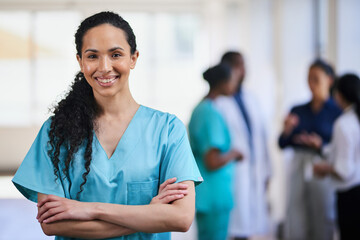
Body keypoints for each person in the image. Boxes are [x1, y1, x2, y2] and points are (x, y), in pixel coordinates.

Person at [12, 11, 203, 240]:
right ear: (80, 61)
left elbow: (180, 218)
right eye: (92, 56)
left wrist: (90, 209)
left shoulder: (168, 130)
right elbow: (53, 224)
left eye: (116, 54)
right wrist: (149, 214)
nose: (104, 67)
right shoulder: (56, 132)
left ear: (133, 58)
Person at [278, 59, 342, 240]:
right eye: (309, 79)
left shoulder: (336, 112)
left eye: (316, 78)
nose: (311, 84)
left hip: (322, 165)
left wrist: (320, 145)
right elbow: (282, 143)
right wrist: (287, 130)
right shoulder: (298, 109)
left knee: (323, 214)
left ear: (329, 80)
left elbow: (340, 145)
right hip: (299, 165)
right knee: (296, 213)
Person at [214, 51, 271, 240]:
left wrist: (267, 170)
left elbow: (261, 137)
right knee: (233, 228)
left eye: (244, 65)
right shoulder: (218, 104)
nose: (243, 71)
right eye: (238, 66)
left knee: (246, 227)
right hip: (231, 175)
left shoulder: (251, 99)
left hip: (253, 171)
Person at [188, 63, 243, 240]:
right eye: (233, 80)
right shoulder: (208, 113)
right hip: (214, 196)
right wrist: (234, 154)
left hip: (207, 195)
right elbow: (211, 161)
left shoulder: (202, 109)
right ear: (223, 83)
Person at [313, 73, 360, 239]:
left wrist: (323, 169)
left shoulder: (343, 123)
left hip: (350, 195)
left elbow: (344, 170)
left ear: (338, 95)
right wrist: (321, 146)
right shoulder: (355, 119)